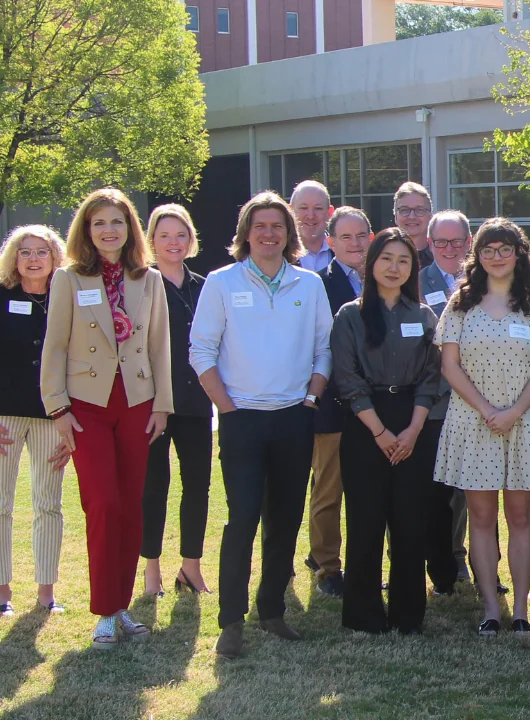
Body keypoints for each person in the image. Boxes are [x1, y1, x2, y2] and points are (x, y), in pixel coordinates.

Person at [191, 191, 333, 659]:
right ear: (246, 234)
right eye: (260, 226)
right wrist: (228, 409)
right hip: (241, 421)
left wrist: (311, 398)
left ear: (288, 233)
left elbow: (324, 349)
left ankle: (271, 610)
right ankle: (230, 622)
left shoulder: (309, 284)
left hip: (294, 418)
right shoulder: (221, 282)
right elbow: (201, 352)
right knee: (243, 519)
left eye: (277, 226)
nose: (269, 233)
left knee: (286, 520)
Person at [41, 188, 174, 648]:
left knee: (131, 505)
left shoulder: (149, 279)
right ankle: (104, 610)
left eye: (116, 221)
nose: (108, 230)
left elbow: (160, 347)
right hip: (87, 407)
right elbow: (54, 346)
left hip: (137, 403)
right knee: (102, 503)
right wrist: (57, 406)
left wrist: (162, 405)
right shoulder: (68, 279)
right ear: (86, 229)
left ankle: (122, 607)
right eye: (99, 223)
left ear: (129, 228)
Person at [433, 218, 530, 637]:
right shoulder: (460, 305)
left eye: (505, 249)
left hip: (523, 421)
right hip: (474, 421)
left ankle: (521, 610)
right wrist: (489, 409)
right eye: (488, 250)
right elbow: (449, 365)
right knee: (482, 516)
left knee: (522, 515)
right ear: (478, 255)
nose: (496, 257)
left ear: (519, 253)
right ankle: (491, 608)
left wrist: (512, 412)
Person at [330, 228, 447, 634]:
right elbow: (346, 378)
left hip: (413, 421)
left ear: (413, 267)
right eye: (386, 259)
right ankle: (364, 616)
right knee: (365, 521)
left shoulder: (424, 316)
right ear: (371, 264)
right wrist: (380, 432)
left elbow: (432, 378)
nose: (394, 267)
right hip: (366, 424)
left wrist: (413, 429)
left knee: (410, 522)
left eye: (403, 260)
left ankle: (407, 615)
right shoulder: (350, 315)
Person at [0, 224, 71, 618]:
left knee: (49, 504)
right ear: (13, 256)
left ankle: (46, 592)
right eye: (24, 251)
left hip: (52, 415)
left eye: (41, 251)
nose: (33, 259)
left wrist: (70, 423)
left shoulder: (67, 296)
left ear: (55, 257)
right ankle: (0, 592)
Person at [141, 205, 213, 597]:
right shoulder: (141, 284)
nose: (173, 242)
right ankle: (151, 570)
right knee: (154, 486)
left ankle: (190, 567)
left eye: (180, 234)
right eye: (165, 235)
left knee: (197, 486)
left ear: (191, 240)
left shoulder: (204, 285)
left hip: (197, 400)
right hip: (154, 402)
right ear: (151, 240)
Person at [304, 206, 372, 598]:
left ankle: (365, 565)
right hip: (331, 405)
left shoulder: (386, 277)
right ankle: (328, 566)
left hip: (377, 408)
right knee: (327, 491)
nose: (355, 244)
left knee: (369, 492)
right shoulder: (316, 284)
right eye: (345, 237)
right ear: (329, 242)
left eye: (361, 235)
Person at [417, 209, 478, 586]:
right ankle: (415, 555)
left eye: (457, 241)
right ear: (429, 244)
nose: (449, 248)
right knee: (423, 484)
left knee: (464, 486)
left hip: (473, 398)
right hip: (430, 400)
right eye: (441, 242)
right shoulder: (414, 278)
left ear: (469, 243)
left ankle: (456, 555)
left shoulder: (485, 281)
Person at [292, 180, 334, 273]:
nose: (311, 216)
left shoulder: (343, 251)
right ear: (290, 211)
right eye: (303, 208)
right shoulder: (280, 255)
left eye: (318, 208)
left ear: (329, 212)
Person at [394, 182, 436, 267]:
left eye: (419, 210)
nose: (412, 216)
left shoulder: (442, 256)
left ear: (430, 216)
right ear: (396, 216)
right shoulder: (382, 256)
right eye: (404, 210)